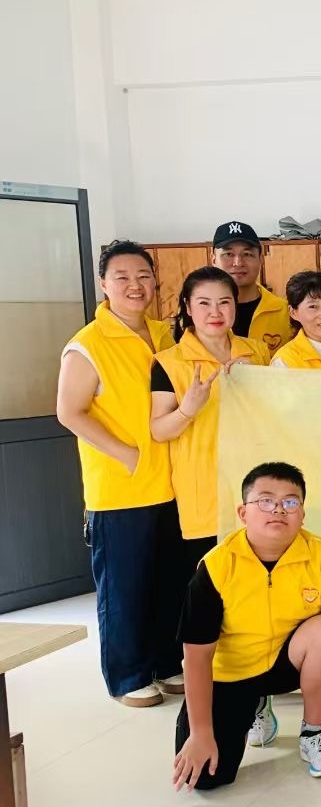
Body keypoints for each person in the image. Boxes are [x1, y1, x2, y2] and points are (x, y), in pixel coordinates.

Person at [172, 462, 321, 790]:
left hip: (287, 663)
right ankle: (255, 705)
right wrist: (201, 733)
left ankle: (314, 733)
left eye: (290, 502)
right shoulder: (216, 567)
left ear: (302, 514)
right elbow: (196, 655)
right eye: (265, 500)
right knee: (207, 778)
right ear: (243, 513)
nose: (279, 510)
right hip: (232, 674)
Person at [56, 241, 185, 708]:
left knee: (169, 583)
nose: (136, 285)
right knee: (125, 588)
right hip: (120, 490)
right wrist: (126, 454)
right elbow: (69, 412)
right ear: (104, 284)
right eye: (123, 277)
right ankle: (128, 676)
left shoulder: (166, 334)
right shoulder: (88, 344)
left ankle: (166, 663)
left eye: (144, 276)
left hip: (171, 483)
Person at [151, 267, 270, 586]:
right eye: (204, 303)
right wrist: (187, 410)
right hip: (202, 493)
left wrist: (256, 379)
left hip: (255, 486)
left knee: (255, 585)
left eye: (224, 302)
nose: (215, 312)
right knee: (209, 588)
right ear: (188, 308)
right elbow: (159, 430)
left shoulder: (257, 351)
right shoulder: (170, 361)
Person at [212, 220, 289, 355]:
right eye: (228, 254)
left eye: (247, 254)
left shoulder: (285, 312)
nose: (238, 263)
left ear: (261, 259)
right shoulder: (199, 313)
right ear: (213, 260)